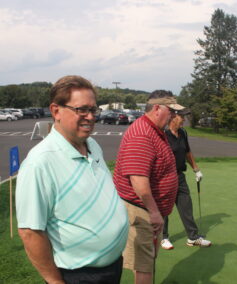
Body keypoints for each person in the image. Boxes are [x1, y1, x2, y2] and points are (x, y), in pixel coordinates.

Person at [16, 75, 129, 284]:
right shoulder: (40, 163)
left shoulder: (93, 145)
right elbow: (30, 232)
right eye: (81, 109)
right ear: (56, 111)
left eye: (93, 110)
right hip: (80, 276)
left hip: (112, 267)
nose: (90, 116)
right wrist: (55, 281)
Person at [113, 90, 183, 284]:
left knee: (147, 260)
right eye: (171, 111)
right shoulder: (142, 134)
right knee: (144, 264)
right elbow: (139, 182)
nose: (174, 116)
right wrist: (154, 213)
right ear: (157, 108)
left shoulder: (154, 130)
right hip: (142, 210)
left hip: (148, 209)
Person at [161, 108, 211, 250]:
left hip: (180, 177)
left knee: (186, 205)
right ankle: (163, 237)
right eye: (182, 117)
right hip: (165, 177)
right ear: (173, 117)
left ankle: (193, 237)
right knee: (164, 208)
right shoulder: (163, 134)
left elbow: (187, 152)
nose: (184, 120)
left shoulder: (183, 132)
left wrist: (196, 169)